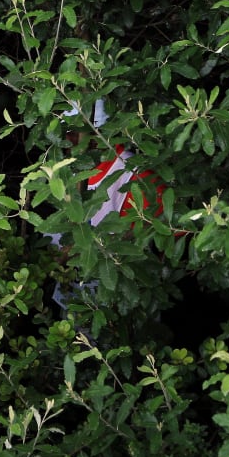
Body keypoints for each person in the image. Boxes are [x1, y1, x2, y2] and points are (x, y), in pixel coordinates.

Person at [48, 99, 165, 311]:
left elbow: (154, 237)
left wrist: (77, 249)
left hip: (116, 302)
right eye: (67, 132)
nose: (67, 140)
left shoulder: (134, 176)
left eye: (74, 133)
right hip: (70, 296)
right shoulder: (67, 169)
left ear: (97, 132)